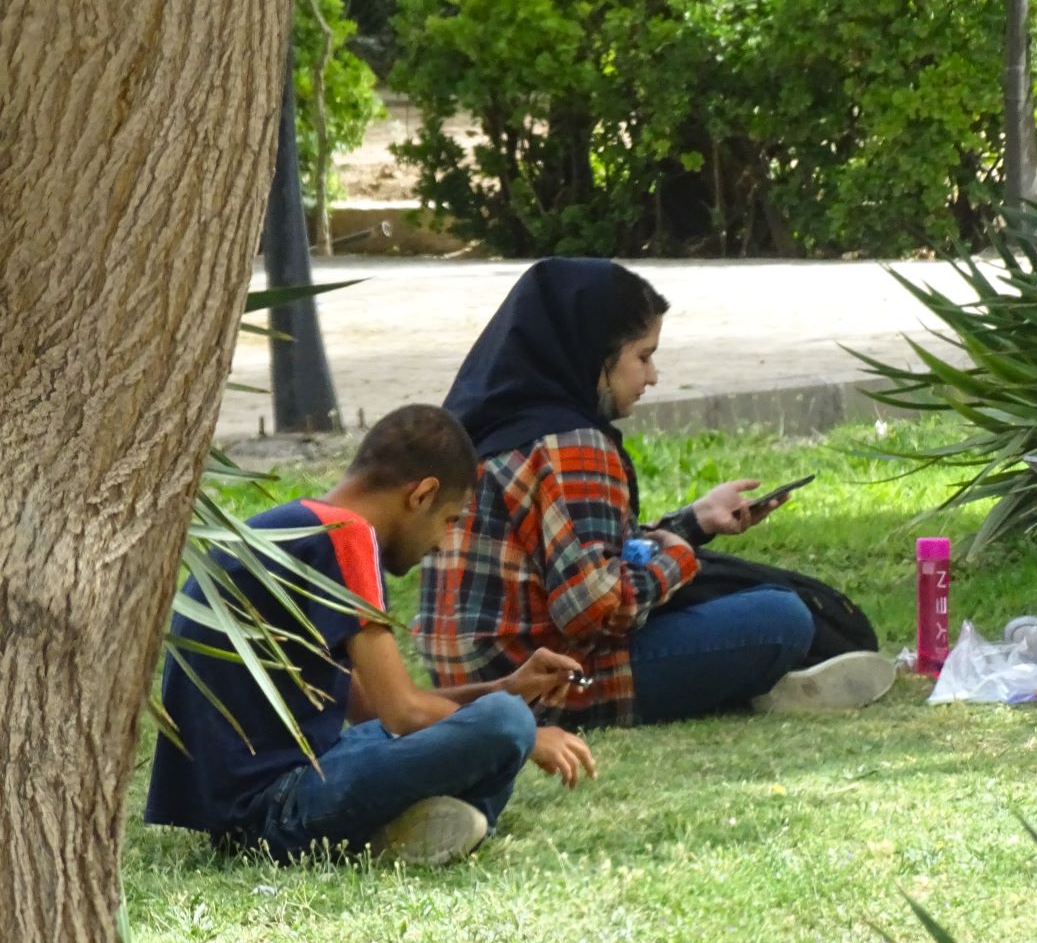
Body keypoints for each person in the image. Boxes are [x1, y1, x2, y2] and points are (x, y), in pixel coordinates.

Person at [415, 258, 895, 727]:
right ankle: (765, 679)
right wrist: (680, 554)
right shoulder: (573, 445)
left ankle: (760, 677)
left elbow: (576, 561)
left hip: (468, 677)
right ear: (595, 356)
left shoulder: (492, 424)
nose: (652, 376)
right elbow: (594, 610)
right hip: (546, 685)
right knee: (780, 616)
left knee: (734, 603)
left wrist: (692, 522)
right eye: (642, 356)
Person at [144, 405, 597, 866]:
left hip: (251, 807)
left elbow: (365, 712)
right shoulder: (348, 536)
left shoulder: (288, 526)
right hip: (275, 809)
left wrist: (503, 688)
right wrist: (526, 730)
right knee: (504, 722)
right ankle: (406, 831)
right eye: (449, 520)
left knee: (495, 712)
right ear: (422, 494)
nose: (442, 544)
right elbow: (403, 712)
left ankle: (400, 832)